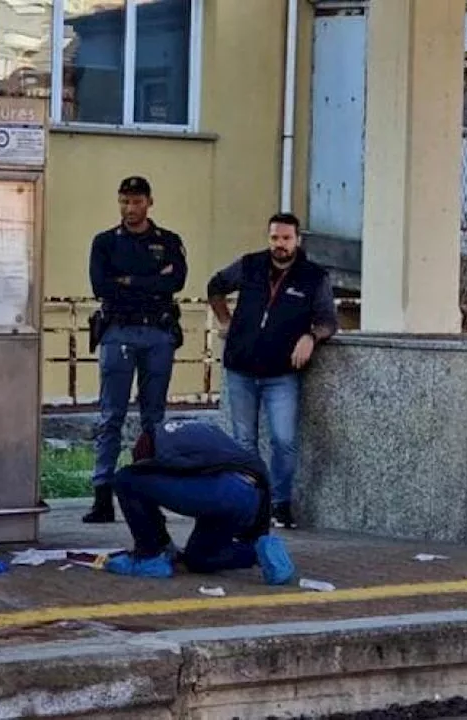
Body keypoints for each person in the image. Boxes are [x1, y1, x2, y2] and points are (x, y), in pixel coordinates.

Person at [207, 212, 338, 530]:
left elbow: (328, 320)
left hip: (282, 373)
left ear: (298, 240)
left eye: (286, 238)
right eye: (275, 238)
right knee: (244, 441)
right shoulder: (250, 265)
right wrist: (226, 322)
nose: (280, 245)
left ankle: (280, 504)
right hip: (240, 368)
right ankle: (250, 503)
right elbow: (215, 286)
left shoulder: (313, 277)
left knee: (283, 439)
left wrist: (311, 336)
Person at [84, 176, 188, 524]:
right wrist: (148, 282)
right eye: (124, 202)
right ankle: (102, 494)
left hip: (157, 332)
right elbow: (102, 286)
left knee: (153, 417)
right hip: (118, 331)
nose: (130, 209)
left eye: (136, 202)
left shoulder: (168, 241)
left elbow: (175, 282)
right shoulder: (105, 242)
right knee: (110, 415)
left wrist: (129, 280)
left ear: (149, 202)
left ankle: (150, 491)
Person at [106, 419, 296, 585]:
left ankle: (150, 558)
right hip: (249, 493)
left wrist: (156, 542)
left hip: (222, 491)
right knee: (200, 558)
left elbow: (153, 477)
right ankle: (260, 553)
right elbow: (256, 474)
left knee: (126, 479)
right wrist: (259, 535)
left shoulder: (157, 442)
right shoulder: (200, 430)